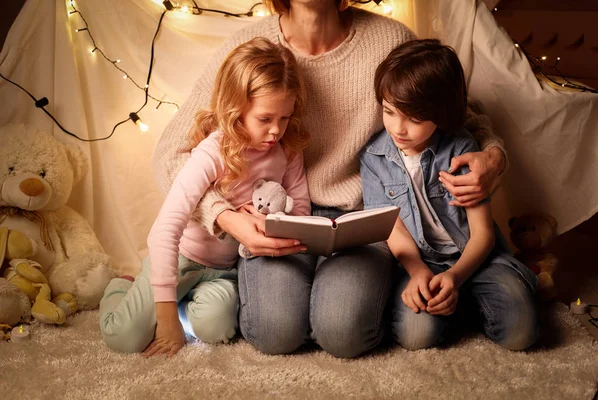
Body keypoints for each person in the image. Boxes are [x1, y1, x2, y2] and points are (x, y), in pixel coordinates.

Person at [153, 0, 508, 358]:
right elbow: (171, 153)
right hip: (278, 216)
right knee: (274, 333)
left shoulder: (390, 39)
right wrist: (225, 218)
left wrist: (493, 156)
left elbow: (456, 111)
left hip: (361, 218)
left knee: (344, 333)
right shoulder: (250, 48)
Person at [99, 37, 311, 357]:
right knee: (123, 338)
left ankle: (184, 303)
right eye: (265, 119)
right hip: (182, 259)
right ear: (236, 108)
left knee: (217, 329)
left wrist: (275, 223)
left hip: (226, 271)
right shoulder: (213, 151)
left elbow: (302, 208)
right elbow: (164, 231)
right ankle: (122, 287)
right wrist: (166, 317)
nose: (276, 131)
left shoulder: (288, 151)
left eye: (284, 118)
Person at [361, 39, 538, 351]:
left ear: (441, 113)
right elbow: (394, 231)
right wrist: (417, 274)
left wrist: (455, 278)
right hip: (421, 261)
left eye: (414, 119)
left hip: (477, 257)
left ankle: (473, 295)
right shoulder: (374, 158)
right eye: (389, 112)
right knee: (417, 336)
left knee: (521, 332)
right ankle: (453, 307)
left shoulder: (461, 150)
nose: (398, 128)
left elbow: (482, 233)